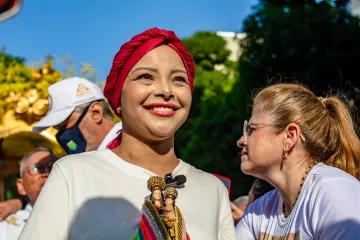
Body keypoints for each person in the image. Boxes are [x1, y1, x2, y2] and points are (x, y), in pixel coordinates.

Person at [18, 28, 236, 240]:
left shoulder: (212, 189)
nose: (166, 90)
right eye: (146, 76)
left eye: (179, 79)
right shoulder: (72, 174)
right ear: (118, 101)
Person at [235, 83, 360, 239]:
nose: (241, 141)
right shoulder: (258, 211)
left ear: (290, 136)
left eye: (251, 129)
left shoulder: (335, 192)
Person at [0, 77, 123, 221]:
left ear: (95, 113)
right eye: (58, 129)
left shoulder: (130, 143)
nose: (63, 136)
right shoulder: (93, 160)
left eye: (64, 124)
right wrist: (22, 202)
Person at [0, 147, 58, 239]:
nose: (47, 173)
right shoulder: (6, 229)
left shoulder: (84, 214)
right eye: (37, 168)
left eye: (53, 167)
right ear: (21, 186)